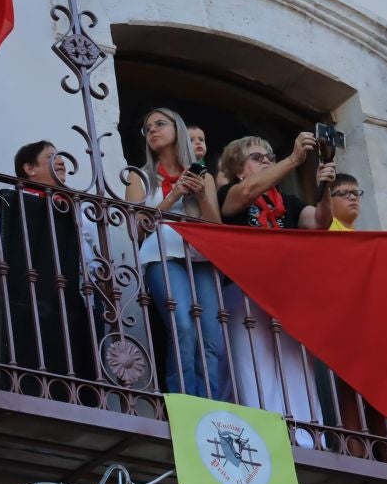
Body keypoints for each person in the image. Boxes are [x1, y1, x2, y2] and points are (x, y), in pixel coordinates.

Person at [215, 133, 326, 437]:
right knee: (254, 370)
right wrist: (293, 160)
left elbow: (318, 222)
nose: (266, 161)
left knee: (297, 371)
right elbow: (248, 192)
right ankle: (264, 440)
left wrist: (324, 190)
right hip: (244, 296)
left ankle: (307, 440)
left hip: (285, 297)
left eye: (270, 157)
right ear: (239, 169)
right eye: (257, 157)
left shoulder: (288, 201)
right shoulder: (228, 192)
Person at [124, 108, 225, 398]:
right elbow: (136, 229)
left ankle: (211, 405)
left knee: (209, 336)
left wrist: (202, 195)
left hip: (201, 258)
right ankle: (184, 401)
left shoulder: (203, 176)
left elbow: (216, 228)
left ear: (177, 128)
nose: (152, 130)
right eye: (148, 128)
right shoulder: (138, 177)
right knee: (181, 325)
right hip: (161, 256)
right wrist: (173, 196)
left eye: (160, 124)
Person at [0, 139, 95, 379]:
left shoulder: (76, 206)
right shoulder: (17, 203)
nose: (60, 160)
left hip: (81, 292)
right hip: (36, 297)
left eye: (60, 155)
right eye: (51, 156)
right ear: (30, 169)